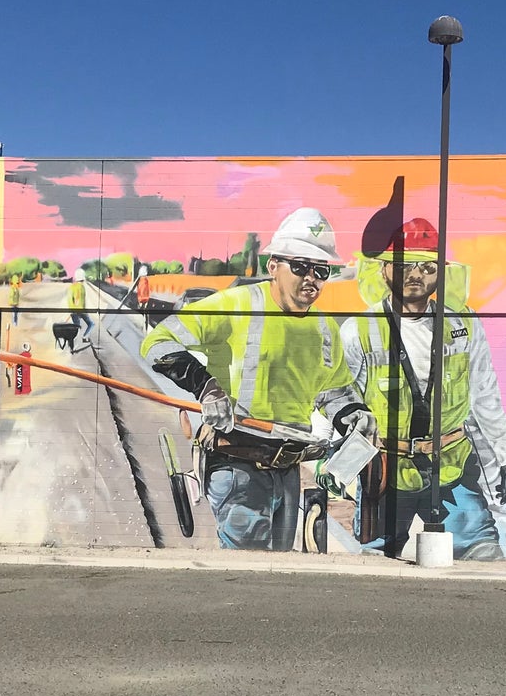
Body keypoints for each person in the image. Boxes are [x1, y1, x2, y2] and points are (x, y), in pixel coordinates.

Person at [140, 208, 373, 551]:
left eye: (321, 270)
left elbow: (333, 389)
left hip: (288, 470)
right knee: (246, 572)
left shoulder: (323, 327)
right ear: (273, 266)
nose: (311, 278)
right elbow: (156, 342)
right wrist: (206, 386)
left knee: (275, 574)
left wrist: (353, 412)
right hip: (238, 467)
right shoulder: (238, 304)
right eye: (300, 267)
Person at [343, 217, 506, 560]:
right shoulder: (358, 331)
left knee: (483, 555)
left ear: (441, 272)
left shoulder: (463, 326)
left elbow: (484, 393)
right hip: (386, 473)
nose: (415, 274)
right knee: (375, 561)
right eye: (405, 265)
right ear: (383, 271)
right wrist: (336, 467)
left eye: (427, 266)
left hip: (451, 468)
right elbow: (341, 401)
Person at [66, 276, 93, 348]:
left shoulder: (71, 287)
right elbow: (83, 301)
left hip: (73, 311)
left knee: (76, 327)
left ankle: (71, 341)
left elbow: (70, 300)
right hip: (81, 310)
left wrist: (72, 310)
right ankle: (84, 337)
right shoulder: (82, 287)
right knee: (91, 324)